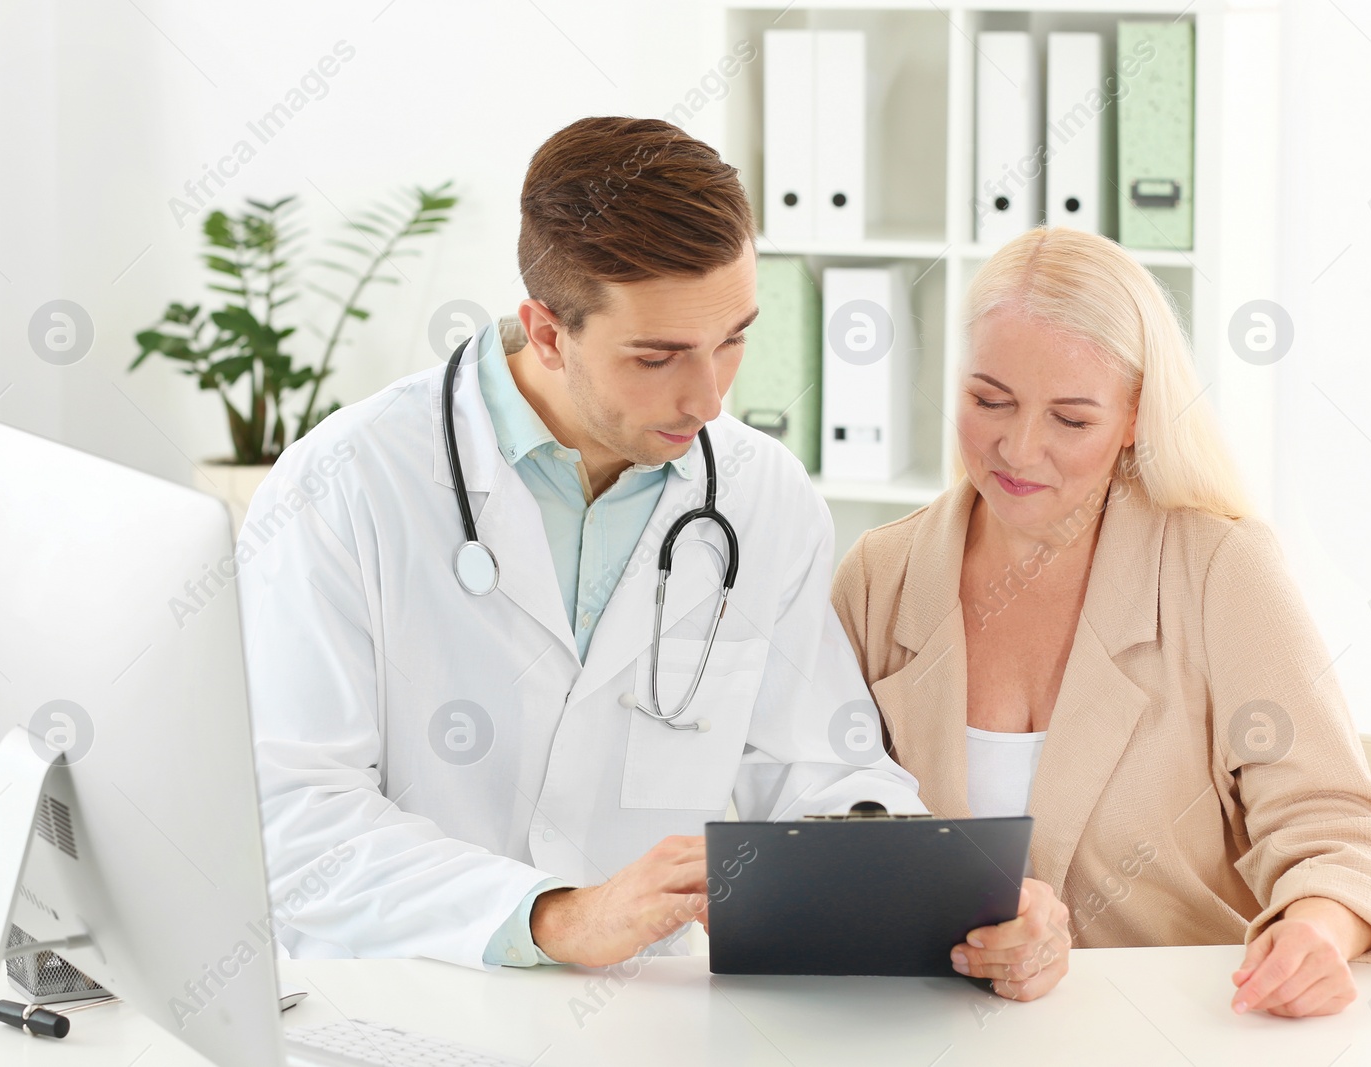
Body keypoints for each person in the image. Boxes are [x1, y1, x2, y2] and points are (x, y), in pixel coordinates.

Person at [235, 116, 927, 972]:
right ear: (551, 333)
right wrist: (556, 916)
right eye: (658, 356)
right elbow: (294, 818)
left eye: (734, 338)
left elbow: (816, 769)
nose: (709, 399)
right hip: (406, 1001)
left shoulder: (763, 496)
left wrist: (926, 882)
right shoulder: (343, 484)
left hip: (649, 1019)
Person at [831, 227, 1371, 1016]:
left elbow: (1340, 828)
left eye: (1071, 419)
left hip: (1168, 1031)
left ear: (1136, 417)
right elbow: (817, 836)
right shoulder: (880, 575)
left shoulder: (1219, 569)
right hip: (931, 1030)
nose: (1018, 447)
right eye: (989, 400)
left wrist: (1319, 928)